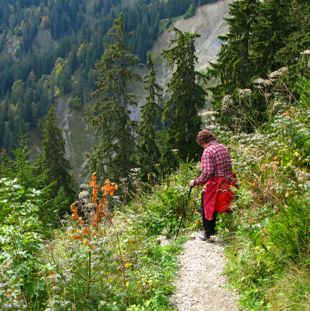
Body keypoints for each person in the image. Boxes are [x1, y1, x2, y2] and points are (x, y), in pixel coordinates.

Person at [189, 129, 237, 241]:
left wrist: (195, 182)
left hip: (216, 182)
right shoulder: (222, 147)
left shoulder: (208, 151)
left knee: (207, 205)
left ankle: (209, 233)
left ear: (202, 142)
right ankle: (232, 229)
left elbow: (208, 172)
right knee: (226, 204)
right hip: (228, 180)